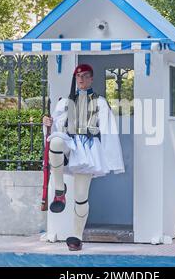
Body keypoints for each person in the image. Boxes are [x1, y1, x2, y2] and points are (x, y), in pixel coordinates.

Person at [42, 64, 125, 251]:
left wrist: (111, 161)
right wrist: (47, 123)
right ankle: (59, 189)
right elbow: (53, 130)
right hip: (69, 143)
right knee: (55, 142)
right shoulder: (63, 102)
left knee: (81, 197)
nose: (81, 79)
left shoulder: (100, 102)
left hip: (88, 151)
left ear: (91, 79)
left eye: (85, 76)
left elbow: (109, 132)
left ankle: (77, 237)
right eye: (78, 76)